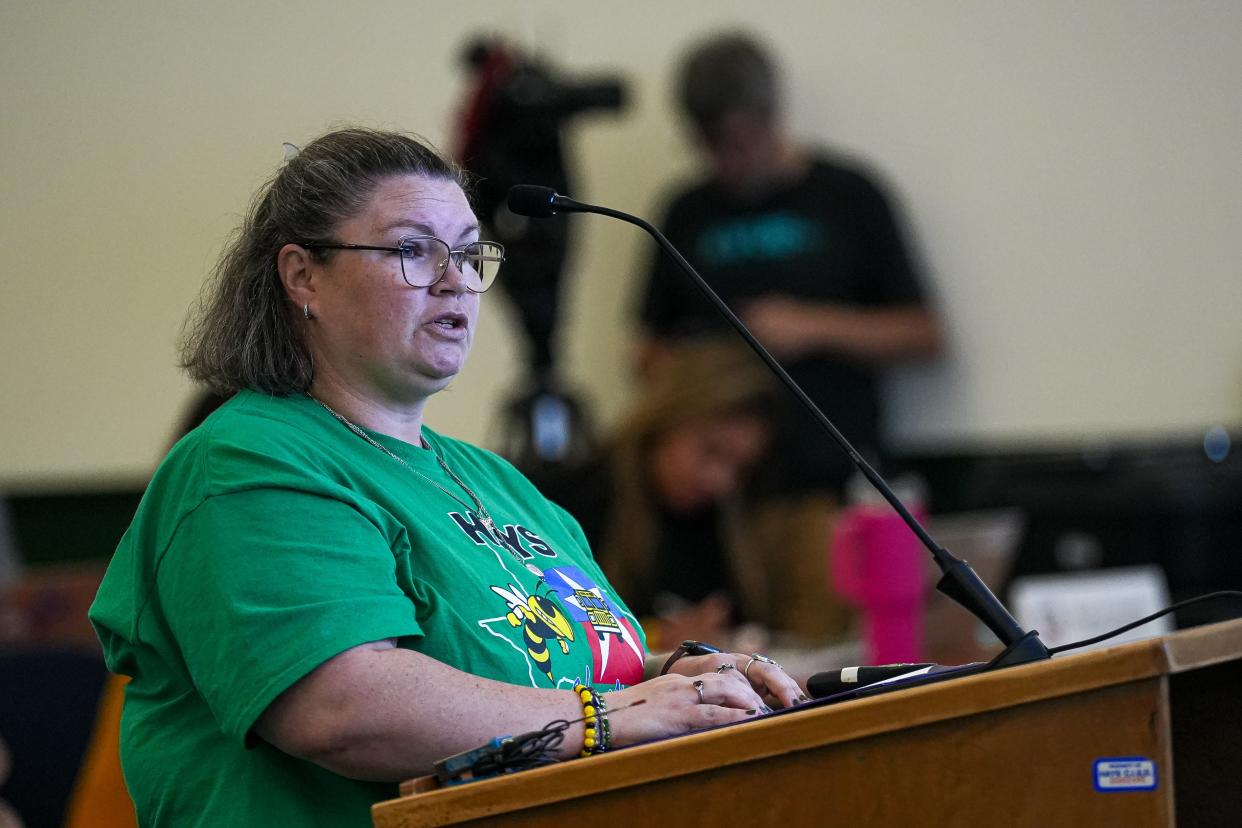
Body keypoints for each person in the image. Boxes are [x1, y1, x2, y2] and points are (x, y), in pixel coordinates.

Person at [88, 128, 803, 826]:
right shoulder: (249, 461)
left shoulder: (499, 482)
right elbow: (343, 708)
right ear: (303, 275)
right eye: (412, 250)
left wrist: (675, 677)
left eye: (468, 253)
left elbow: (554, 669)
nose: (456, 279)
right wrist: (615, 714)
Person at [637, 32, 943, 500]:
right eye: (710, 146)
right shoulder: (685, 211)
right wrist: (706, 369)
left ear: (773, 115)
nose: (727, 162)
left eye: (739, 141)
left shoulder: (850, 195)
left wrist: (814, 326)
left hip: (834, 481)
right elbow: (645, 354)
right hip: (723, 492)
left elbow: (924, 334)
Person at [535, 340, 779, 650]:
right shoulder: (572, 498)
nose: (721, 482)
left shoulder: (716, 519)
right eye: (710, 452)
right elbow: (554, 624)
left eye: (740, 469)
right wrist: (654, 639)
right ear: (663, 423)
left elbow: (737, 623)